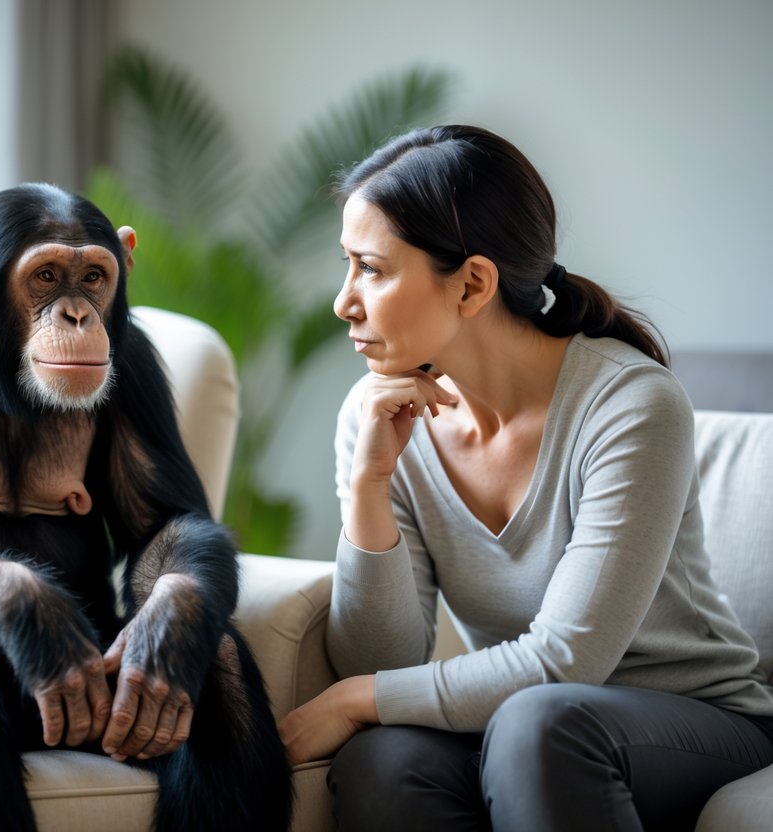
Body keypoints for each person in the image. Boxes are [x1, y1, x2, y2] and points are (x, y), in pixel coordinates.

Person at [276, 125, 773, 831]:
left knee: (541, 723)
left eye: (373, 269)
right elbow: (384, 657)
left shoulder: (630, 405)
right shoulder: (382, 416)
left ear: (472, 283)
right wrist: (368, 488)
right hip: (524, 725)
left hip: (696, 727)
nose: (343, 301)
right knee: (382, 760)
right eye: (346, 267)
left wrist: (354, 699)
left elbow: (565, 661)